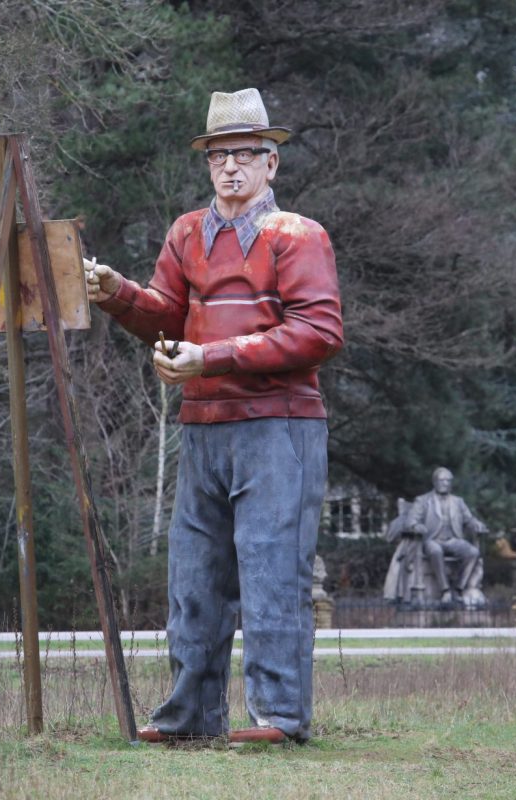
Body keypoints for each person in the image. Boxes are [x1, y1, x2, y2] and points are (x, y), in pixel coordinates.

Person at [83, 88, 342, 743]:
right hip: (202, 425)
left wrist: (213, 356)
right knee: (193, 579)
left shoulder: (298, 235)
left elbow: (319, 331)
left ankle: (279, 719)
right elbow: (167, 316)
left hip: (279, 426)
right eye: (219, 156)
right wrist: (117, 294)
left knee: (272, 571)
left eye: (244, 156)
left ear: (271, 164)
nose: (230, 168)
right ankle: (189, 717)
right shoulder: (186, 232)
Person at [405, 467, 489, 604]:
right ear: (434, 482)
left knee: (473, 552)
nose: (445, 483)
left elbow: (469, 519)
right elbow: (410, 521)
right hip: (431, 540)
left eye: (448, 480)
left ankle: (458, 589)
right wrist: (416, 526)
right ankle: (445, 590)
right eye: (442, 480)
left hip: (452, 540)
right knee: (436, 550)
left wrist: (476, 524)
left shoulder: (458, 501)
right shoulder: (423, 500)